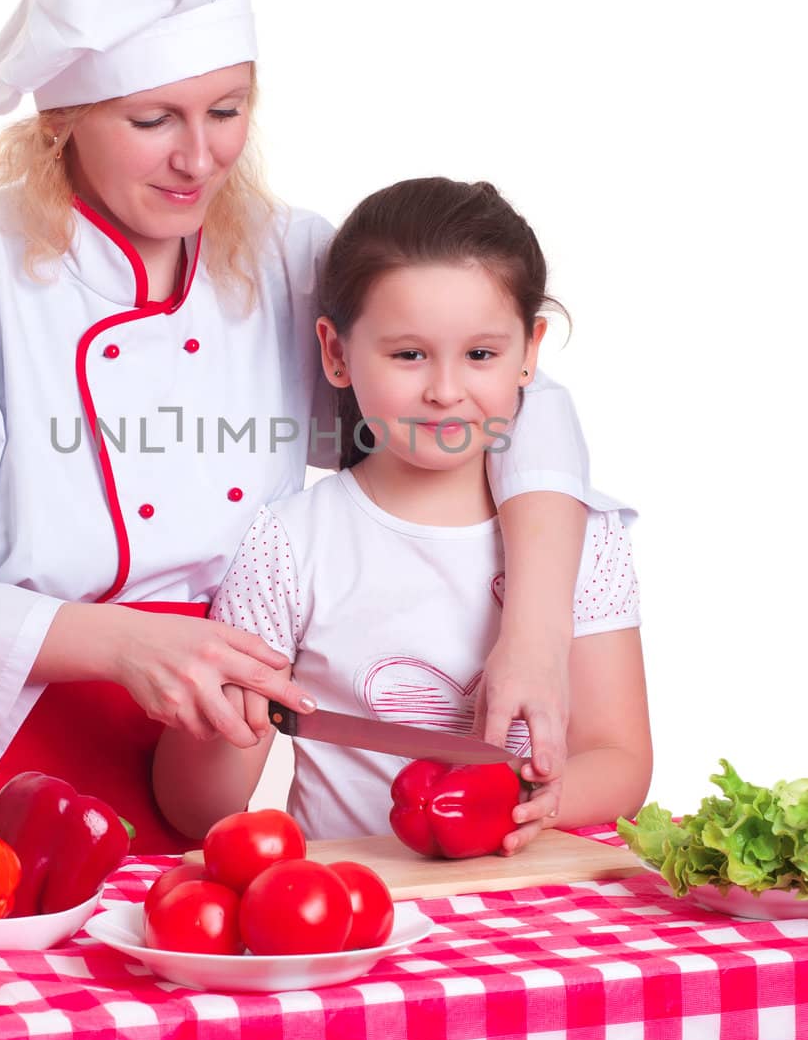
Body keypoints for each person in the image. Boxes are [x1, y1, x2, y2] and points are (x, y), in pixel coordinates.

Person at [0, 0, 620, 853]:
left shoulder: (289, 256)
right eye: (153, 121)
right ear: (60, 120)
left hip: (222, 741)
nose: (199, 158)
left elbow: (505, 404)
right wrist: (118, 642)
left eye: (226, 111)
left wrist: (532, 637)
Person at [153, 177, 652, 847]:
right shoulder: (290, 542)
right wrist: (217, 726)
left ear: (529, 352)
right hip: (361, 905)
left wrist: (529, 805)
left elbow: (620, 759)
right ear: (335, 353)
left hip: (534, 897)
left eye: (480, 355)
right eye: (407, 354)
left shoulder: (582, 539)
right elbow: (200, 811)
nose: (445, 391)